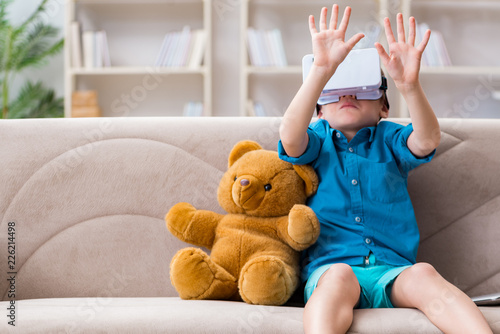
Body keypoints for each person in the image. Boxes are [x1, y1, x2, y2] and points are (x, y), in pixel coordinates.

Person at [278, 4, 493, 334]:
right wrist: (321, 71)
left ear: (383, 106)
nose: (347, 93)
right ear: (319, 110)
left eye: (361, 88)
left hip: (394, 272)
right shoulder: (316, 141)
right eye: (335, 91)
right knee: (338, 277)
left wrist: (409, 85)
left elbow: (426, 139)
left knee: (424, 273)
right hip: (333, 269)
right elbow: (290, 137)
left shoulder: (391, 138)